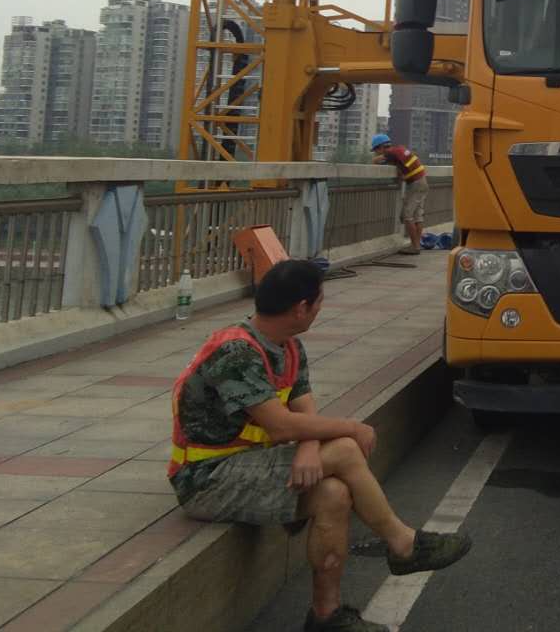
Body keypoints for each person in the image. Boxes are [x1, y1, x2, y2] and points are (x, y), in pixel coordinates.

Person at [169, 259, 471, 632]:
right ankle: (403, 544)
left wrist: (310, 448)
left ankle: (326, 616)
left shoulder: (288, 347)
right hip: (207, 480)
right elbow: (280, 426)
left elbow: (303, 410)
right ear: (302, 308)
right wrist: (351, 428)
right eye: (320, 301)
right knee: (345, 448)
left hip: (250, 465)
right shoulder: (236, 352)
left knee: (334, 494)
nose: (320, 308)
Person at [371, 133, 429, 255]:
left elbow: (375, 161)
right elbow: (401, 167)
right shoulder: (399, 150)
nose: (376, 153)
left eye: (376, 150)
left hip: (415, 184)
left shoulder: (390, 152)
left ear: (381, 147)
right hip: (422, 181)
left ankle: (415, 247)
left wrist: (376, 159)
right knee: (418, 216)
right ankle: (417, 245)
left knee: (407, 216)